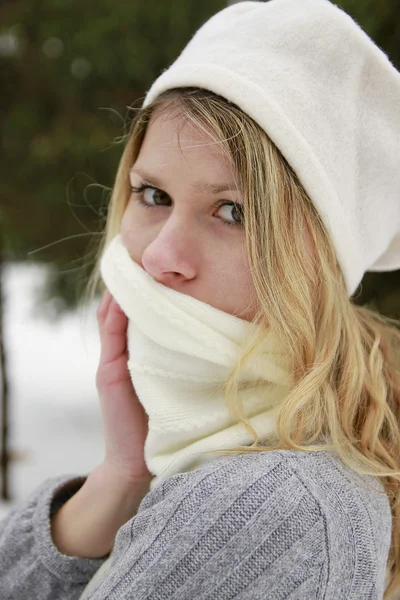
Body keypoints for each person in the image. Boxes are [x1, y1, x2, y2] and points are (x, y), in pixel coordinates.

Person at [1, 0, 400, 598]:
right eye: (153, 195)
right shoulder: (236, 467)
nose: (161, 256)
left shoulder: (274, 505)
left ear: (318, 266)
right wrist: (120, 479)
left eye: (233, 212)